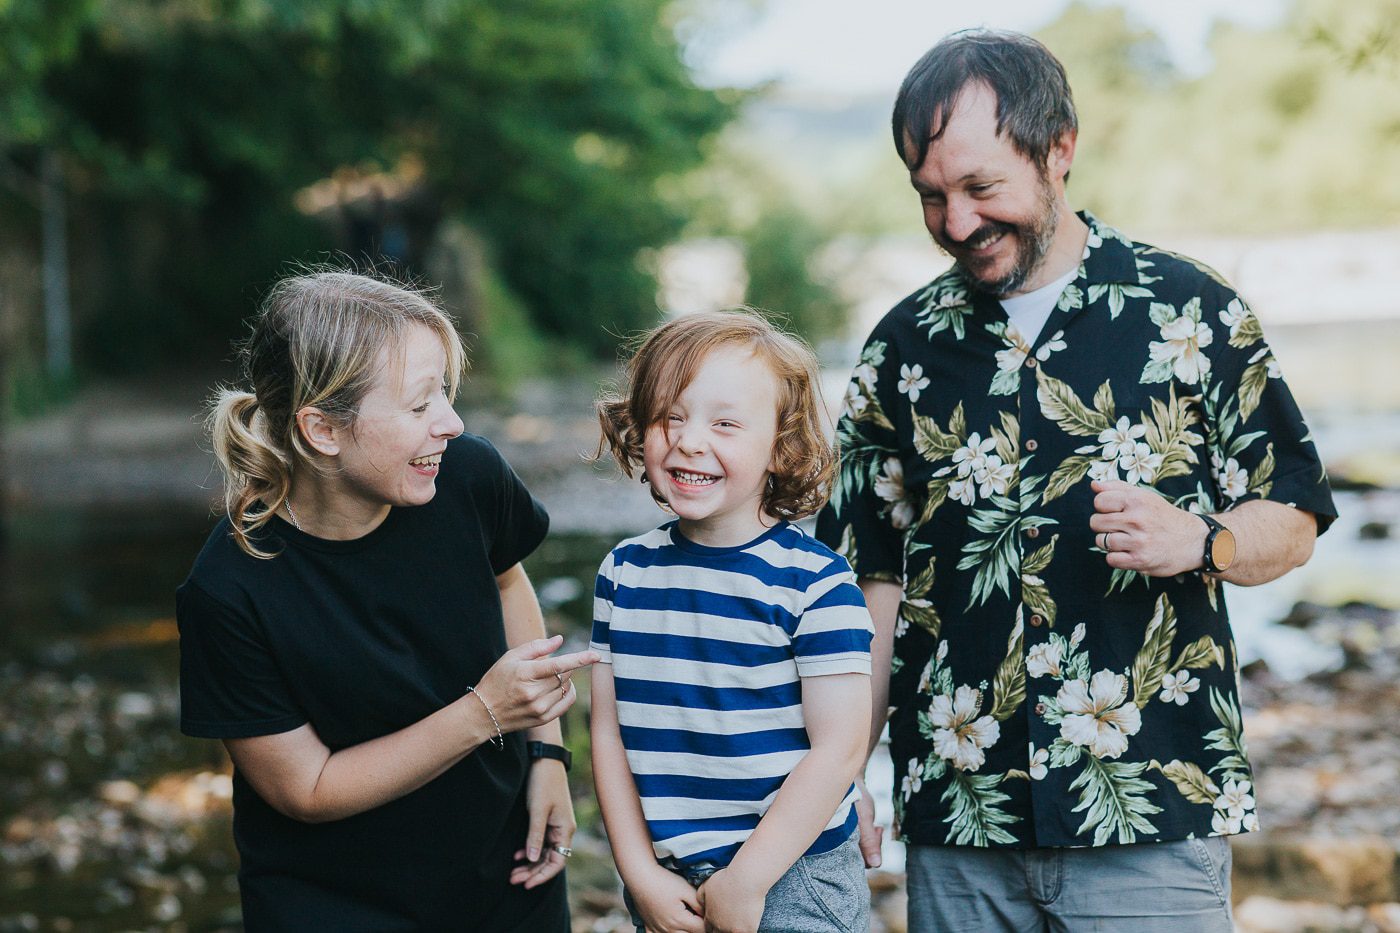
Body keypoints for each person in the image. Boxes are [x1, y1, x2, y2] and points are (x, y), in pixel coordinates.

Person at [815, 29, 1338, 932]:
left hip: (1152, 811)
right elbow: (871, 588)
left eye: (983, 188)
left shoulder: (1190, 308)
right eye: (931, 196)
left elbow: (1293, 512)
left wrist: (1202, 540)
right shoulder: (900, 348)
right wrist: (836, 783)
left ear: (1060, 150)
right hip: (958, 819)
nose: (957, 223)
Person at [177, 271, 598, 931]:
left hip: (507, 873)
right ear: (322, 428)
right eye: (420, 404)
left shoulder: (470, 475)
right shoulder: (228, 591)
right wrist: (484, 711)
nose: (452, 423)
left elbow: (507, 581)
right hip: (335, 904)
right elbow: (306, 788)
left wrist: (546, 755)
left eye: (447, 395)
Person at [591, 310, 874, 933]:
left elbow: (840, 748)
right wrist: (639, 876)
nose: (690, 440)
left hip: (792, 872)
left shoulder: (815, 581)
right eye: (671, 416)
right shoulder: (625, 573)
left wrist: (747, 882)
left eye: (724, 423)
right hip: (670, 875)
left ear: (781, 447)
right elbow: (610, 735)